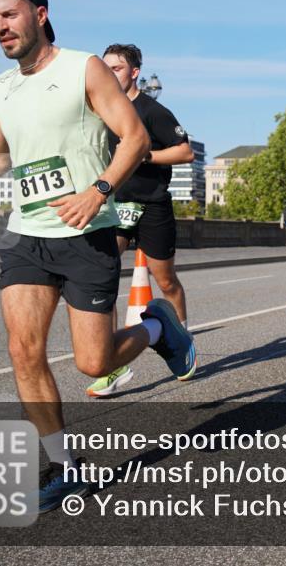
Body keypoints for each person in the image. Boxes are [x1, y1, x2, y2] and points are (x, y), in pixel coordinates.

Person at [0, 0, 196, 513]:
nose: (1, 27)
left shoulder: (83, 68)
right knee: (24, 351)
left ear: (39, 14)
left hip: (87, 233)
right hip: (27, 235)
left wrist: (99, 191)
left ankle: (160, 324)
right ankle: (63, 467)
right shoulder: (1, 86)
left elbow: (135, 138)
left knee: (95, 364)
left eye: (10, 15)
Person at [86, 44, 195, 398]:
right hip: (114, 204)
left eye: (117, 68)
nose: (110, 73)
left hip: (151, 205)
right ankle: (112, 363)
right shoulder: (100, 110)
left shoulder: (152, 110)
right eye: (106, 68)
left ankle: (182, 339)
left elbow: (185, 151)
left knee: (165, 280)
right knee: (101, 275)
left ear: (134, 72)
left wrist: (143, 154)